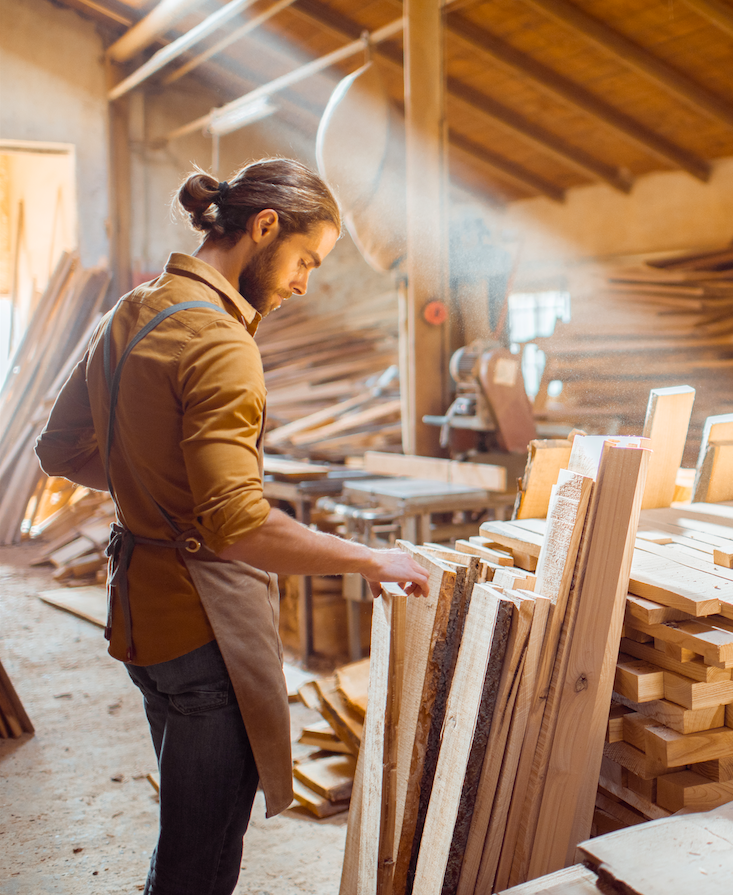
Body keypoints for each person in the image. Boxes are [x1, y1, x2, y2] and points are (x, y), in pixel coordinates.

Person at [35, 158, 429, 895]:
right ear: (265, 227)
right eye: (306, 260)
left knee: (184, 839)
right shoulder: (220, 342)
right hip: (201, 628)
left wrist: (156, 497)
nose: (304, 282)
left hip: (140, 612)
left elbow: (61, 450)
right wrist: (370, 559)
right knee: (203, 861)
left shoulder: (133, 309)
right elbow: (237, 524)